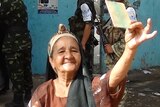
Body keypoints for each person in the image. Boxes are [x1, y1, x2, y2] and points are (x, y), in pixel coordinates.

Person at [28, 18, 157, 107]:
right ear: (51, 61)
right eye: (61, 52)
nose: (68, 55)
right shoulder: (42, 93)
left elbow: (112, 79)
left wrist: (129, 49)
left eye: (74, 50)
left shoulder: (93, 87)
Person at [0, 0, 33, 107]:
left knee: (15, 71)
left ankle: (18, 100)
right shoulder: (20, 2)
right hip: (25, 38)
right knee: (26, 68)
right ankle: (28, 95)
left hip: (13, 41)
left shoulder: (5, 3)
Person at [103, 0, 137, 70]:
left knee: (119, 77)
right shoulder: (116, 7)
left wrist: (113, 48)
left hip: (120, 54)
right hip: (112, 55)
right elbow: (115, 29)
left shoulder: (128, 11)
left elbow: (132, 35)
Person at [68, 0, 97, 79]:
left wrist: (83, 43)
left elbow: (88, 24)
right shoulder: (84, 2)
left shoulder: (84, 4)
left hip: (83, 41)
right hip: (82, 40)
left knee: (85, 66)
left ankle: (86, 87)